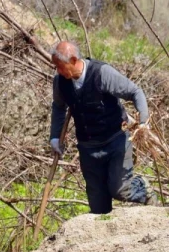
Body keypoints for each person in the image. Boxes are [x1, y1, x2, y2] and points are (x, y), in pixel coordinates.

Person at [49, 41, 158, 214]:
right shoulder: (60, 82)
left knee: (120, 189)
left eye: (60, 66)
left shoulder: (102, 73)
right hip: (88, 148)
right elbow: (58, 107)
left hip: (115, 142)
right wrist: (55, 136)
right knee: (98, 208)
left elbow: (135, 92)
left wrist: (143, 121)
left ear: (73, 59)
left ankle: (144, 189)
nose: (58, 71)